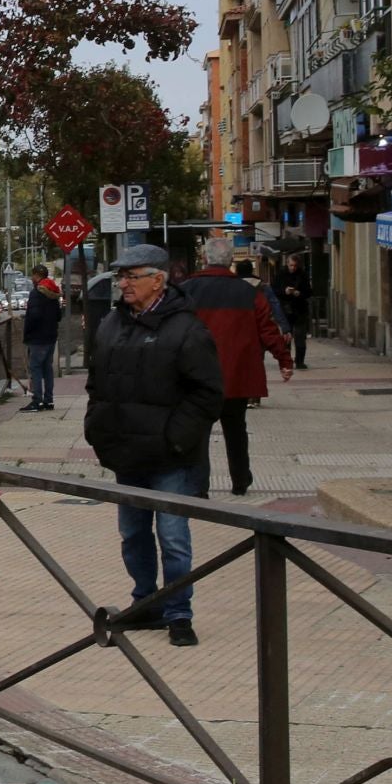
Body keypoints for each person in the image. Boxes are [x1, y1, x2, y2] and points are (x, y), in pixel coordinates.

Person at [84, 243, 224, 648]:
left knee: (173, 535)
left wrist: (174, 437)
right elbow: (97, 384)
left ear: (158, 279)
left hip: (170, 457)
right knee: (133, 533)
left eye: (131, 276)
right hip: (126, 452)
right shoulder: (110, 324)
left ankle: (179, 612)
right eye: (120, 277)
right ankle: (145, 601)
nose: (123, 284)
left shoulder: (187, 328)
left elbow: (207, 394)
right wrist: (97, 426)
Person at [181, 239, 293, 496]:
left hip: (197, 377)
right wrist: (284, 360)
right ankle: (240, 481)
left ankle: (199, 488)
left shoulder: (187, 290)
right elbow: (267, 329)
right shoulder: (249, 292)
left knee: (199, 433)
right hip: (237, 376)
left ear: (205, 259)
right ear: (230, 261)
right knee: (236, 430)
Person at [22, 264, 62, 412]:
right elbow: (58, 315)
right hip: (51, 336)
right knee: (47, 369)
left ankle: (37, 400)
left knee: (36, 368)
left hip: (38, 338)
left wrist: (28, 332)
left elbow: (34, 315)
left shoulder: (36, 293)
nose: (32, 278)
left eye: (33, 275)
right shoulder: (53, 291)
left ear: (36, 276)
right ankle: (48, 400)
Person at [271, 254, 312, 369]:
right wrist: (285, 292)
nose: (293, 268)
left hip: (300, 309)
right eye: (291, 265)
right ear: (287, 264)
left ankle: (299, 361)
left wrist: (299, 293)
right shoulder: (280, 274)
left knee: (300, 337)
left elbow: (309, 291)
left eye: (295, 265)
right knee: (286, 337)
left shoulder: (302, 274)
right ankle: (287, 361)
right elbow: (274, 290)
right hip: (285, 309)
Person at [235, 259, 289, 336]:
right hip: (260, 328)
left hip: (238, 328)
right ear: (251, 271)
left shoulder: (231, 287)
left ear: (237, 271)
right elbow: (276, 306)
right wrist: (285, 328)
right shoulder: (263, 287)